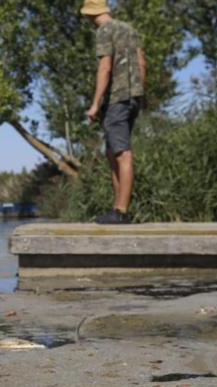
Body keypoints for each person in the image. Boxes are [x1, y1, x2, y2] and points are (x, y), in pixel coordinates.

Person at [82, 0, 146, 224]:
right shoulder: (128, 29)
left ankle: (121, 211)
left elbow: (105, 67)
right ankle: (116, 208)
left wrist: (95, 103)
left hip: (116, 99)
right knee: (112, 153)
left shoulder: (104, 31)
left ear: (91, 15)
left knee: (122, 154)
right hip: (132, 98)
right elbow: (141, 63)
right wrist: (139, 95)